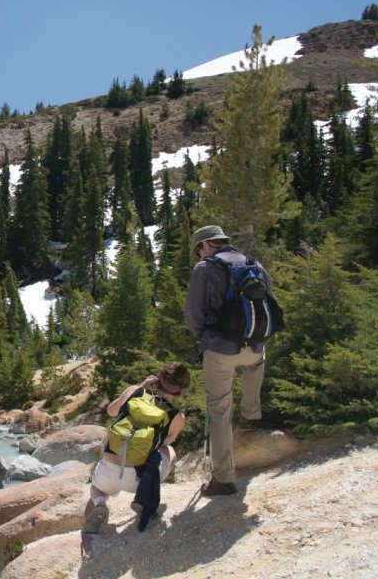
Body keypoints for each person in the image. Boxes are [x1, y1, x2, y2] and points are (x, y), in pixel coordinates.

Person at [185, 225, 272, 497]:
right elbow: (269, 301)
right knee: (255, 364)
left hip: (220, 349)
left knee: (220, 411)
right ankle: (251, 414)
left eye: (198, 250)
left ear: (206, 245)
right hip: (255, 346)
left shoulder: (204, 269)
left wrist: (207, 339)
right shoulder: (253, 263)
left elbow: (194, 314)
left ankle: (224, 479)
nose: (199, 256)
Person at [82, 362, 190, 534]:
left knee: (96, 489)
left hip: (108, 469)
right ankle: (143, 498)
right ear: (180, 390)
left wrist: (140, 387)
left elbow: (111, 411)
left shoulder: (135, 391)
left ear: (157, 377)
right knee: (169, 452)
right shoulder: (177, 417)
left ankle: (100, 503)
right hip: (137, 478)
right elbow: (165, 443)